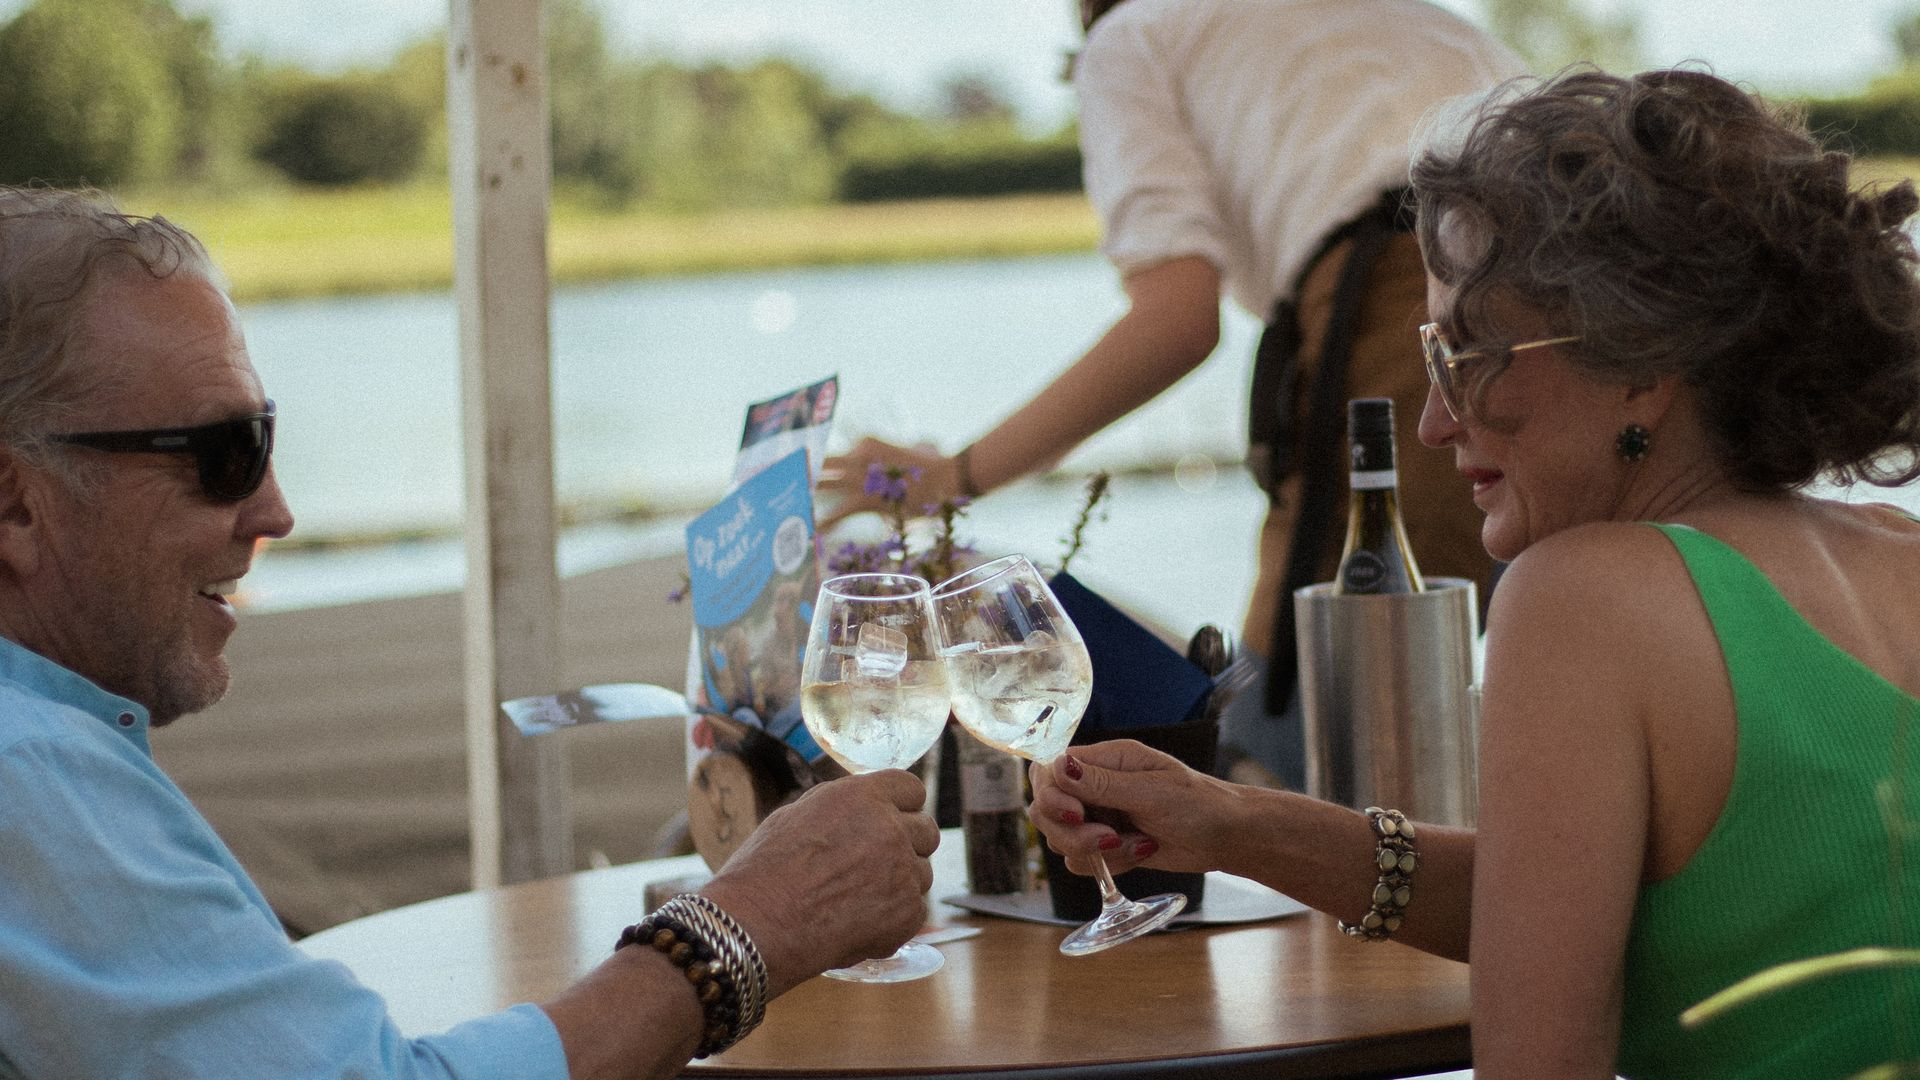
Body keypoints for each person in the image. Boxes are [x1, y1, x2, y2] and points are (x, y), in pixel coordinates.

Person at [1027, 67, 1920, 1077]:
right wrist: (1234, 823)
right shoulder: (1897, 552)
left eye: (1468, 354)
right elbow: (1598, 892)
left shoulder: (1585, 594)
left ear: (1640, 362)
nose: (1434, 420)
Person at [0, 186, 938, 1079]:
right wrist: (748, 923)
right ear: (16, 502)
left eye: (266, 439)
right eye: (222, 454)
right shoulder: (30, 771)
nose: (276, 512)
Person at [818, 0, 1525, 789]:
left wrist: (956, 475)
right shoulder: (1390, 15)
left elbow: (1178, 319)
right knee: (1562, 655)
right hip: (1584, 308)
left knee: (1299, 753)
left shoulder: (1134, 33)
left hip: (1405, 311)